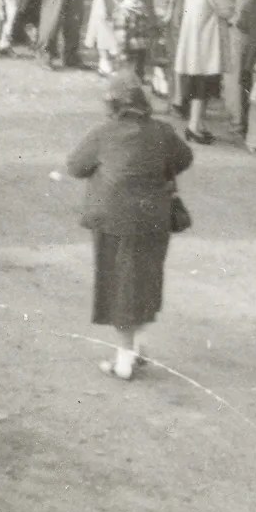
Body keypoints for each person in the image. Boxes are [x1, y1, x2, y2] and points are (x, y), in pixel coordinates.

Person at [64, 71, 194, 380]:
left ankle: (124, 359)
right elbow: (184, 158)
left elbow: (75, 166)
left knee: (120, 286)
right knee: (145, 281)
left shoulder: (103, 133)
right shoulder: (162, 132)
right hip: (153, 220)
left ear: (113, 104)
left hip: (113, 220)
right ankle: (137, 347)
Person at [174, 0, 232, 142]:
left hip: (193, 39)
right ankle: (194, 126)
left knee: (197, 83)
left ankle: (197, 123)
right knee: (203, 86)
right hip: (207, 42)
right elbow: (227, 10)